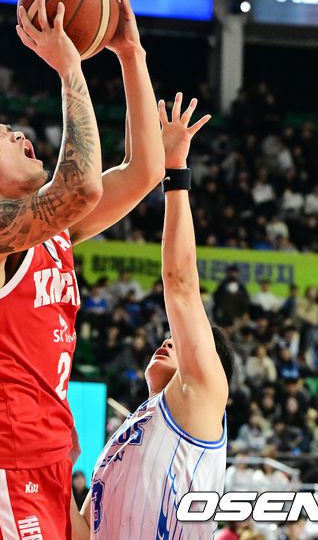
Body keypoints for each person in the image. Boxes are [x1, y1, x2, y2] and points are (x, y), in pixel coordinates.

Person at [0, 0, 164, 540]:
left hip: (51, 460)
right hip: (4, 469)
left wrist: (130, 53)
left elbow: (144, 171)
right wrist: (69, 67)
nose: (19, 135)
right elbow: (82, 188)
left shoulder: (51, 233)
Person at [71, 94, 232, 539]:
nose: (168, 340)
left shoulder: (204, 394)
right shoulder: (125, 434)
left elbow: (180, 283)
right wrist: (57, 469)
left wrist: (176, 173)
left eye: (180, 342)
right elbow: (84, 533)